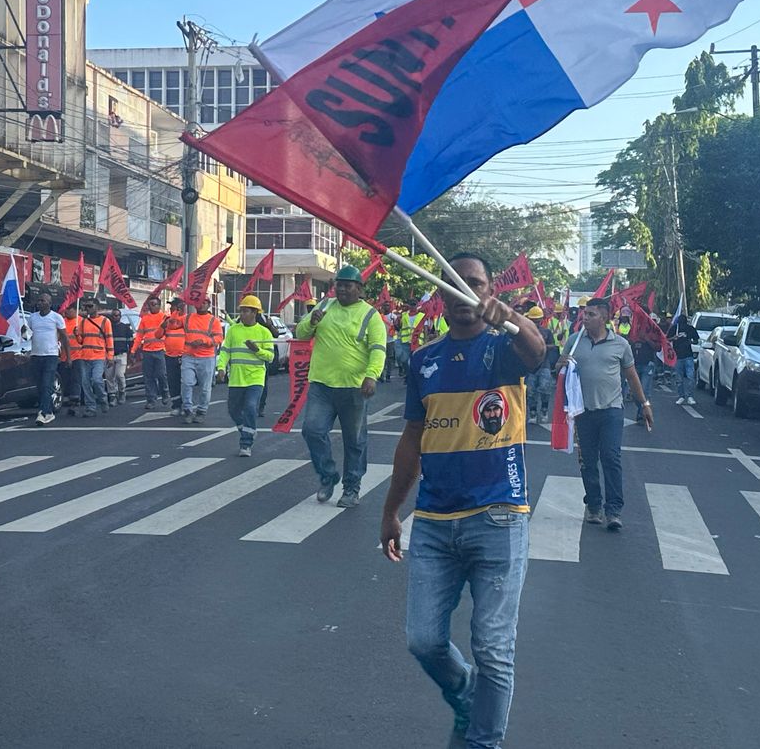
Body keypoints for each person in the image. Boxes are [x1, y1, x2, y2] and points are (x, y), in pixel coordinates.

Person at [379, 252, 546, 749]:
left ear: (488, 290)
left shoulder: (504, 349)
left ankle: (482, 742)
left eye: (473, 284)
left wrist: (513, 319)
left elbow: (538, 354)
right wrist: (392, 510)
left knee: (494, 648)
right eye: (452, 286)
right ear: (440, 297)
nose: (463, 295)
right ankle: (466, 692)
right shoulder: (425, 360)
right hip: (432, 521)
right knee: (423, 640)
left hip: (499, 518)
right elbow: (413, 438)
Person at [297, 264, 388, 508]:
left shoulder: (370, 315)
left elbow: (378, 348)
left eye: (348, 285)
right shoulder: (324, 306)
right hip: (322, 386)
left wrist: (372, 375)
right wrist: (311, 322)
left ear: (359, 289)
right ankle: (328, 476)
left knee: (355, 441)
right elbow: (302, 333)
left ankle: (351, 488)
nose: (343, 289)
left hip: (354, 389)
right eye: (339, 285)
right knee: (312, 430)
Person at [565, 297, 653, 531]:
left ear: (604, 317)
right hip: (583, 412)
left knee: (611, 458)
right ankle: (594, 506)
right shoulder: (574, 342)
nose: (585, 317)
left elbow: (632, 376)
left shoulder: (620, 344)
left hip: (611, 411)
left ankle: (614, 510)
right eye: (584, 313)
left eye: (591, 314)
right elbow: (561, 373)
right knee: (588, 463)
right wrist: (560, 364)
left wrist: (643, 404)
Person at [219, 295, 275, 457]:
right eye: (241, 311)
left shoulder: (264, 333)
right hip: (236, 378)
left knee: (250, 407)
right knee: (233, 410)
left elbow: (270, 357)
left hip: (255, 379)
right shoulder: (234, 330)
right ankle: (248, 430)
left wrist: (256, 350)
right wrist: (221, 367)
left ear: (255, 313)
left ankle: (246, 443)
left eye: (246, 311)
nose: (242, 314)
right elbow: (225, 351)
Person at [66, 297, 113, 418]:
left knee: (97, 380)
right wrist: (77, 335)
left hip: (99, 356)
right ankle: (90, 407)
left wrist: (110, 356)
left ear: (97, 307)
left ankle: (103, 399)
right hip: (85, 356)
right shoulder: (83, 322)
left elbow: (109, 339)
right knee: (85, 383)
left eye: (90, 306)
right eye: (86, 307)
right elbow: (81, 341)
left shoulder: (104, 321)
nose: (87, 309)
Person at [180, 299, 223, 424]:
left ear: (209, 304)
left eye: (205, 302)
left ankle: (201, 411)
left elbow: (219, 338)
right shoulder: (187, 318)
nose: (201, 304)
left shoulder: (213, 321)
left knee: (205, 387)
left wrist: (204, 341)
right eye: (199, 302)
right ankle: (187, 410)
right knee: (186, 383)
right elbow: (173, 324)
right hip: (188, 356)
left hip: (206, 358)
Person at [26, 292, 65, 426]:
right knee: (40, 385)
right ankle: (49, 412)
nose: (40, 303)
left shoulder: (56, 317)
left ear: (49, 303)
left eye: (43, 301)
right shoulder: (32, 318)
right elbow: (27, 334)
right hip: (36, 355)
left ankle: (43, 412)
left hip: (51, 355)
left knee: (47, 383)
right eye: (39, 300)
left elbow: (64, 337)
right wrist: (23, 331)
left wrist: (67, 356)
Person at [524, 306, 557, 424]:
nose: (535, 322)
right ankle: (532, 412)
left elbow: (553, 346)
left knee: (545, 388)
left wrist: (542, 346)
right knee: (531, 390)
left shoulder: (546, 332)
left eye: (537, 320)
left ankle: (544, 410)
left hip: (544, 365)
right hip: (531, 367)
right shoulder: (525, 332)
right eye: (533, 320)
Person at [136, 296, 169, 410]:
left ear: (159, 306)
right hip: (147, 351)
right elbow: (139, 335)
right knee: (148, 377)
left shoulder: (164, 317)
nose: (152, 306)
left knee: (161, 374)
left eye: (154, 304)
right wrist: (133, 350)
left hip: (161, 350)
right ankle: (151, 399)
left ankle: (165, 393)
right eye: (150, 304)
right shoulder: (145, 319)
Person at [667, 313, 700, 406]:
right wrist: (675, 338)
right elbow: (667, 339)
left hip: (688, 355)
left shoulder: (690, 329)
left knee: (690, 376)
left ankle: (689, 396)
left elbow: (696, 340)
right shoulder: (674, 328)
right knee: (679, 378)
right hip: (678, 356)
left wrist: (690, 340)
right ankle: (681, 396)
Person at [164, 298, 188, 413]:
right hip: (170, 356)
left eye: (174, 307)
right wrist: (163, 326)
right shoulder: (168, 321)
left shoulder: (186, 320)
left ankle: (186, 404)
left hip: (183, 356)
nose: (172, 309)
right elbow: (158, 334)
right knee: (172, 381)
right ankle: (176, 405)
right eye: (171, 307)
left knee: (184, 381)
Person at [106, 308, 133, 406]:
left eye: (117, 315)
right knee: (109, 377)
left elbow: (131, 343)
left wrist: (131, 355)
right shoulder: (108, 328)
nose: (115, 317)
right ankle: (112, 396)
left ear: (120, 317)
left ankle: (122, 392)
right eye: (113, 315)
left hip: (122, 355)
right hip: (109, 355)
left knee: (119, 375)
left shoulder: (125, 328)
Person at [59, 303, 82, 415]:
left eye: (68, 309)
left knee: (76, 380)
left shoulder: (81, 321)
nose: (66, 311)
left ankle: (75, 403)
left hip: (78, 356)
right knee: (65, 380)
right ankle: (67, 399)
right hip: (64, 357)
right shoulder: (61, 322)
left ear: (74, 310)